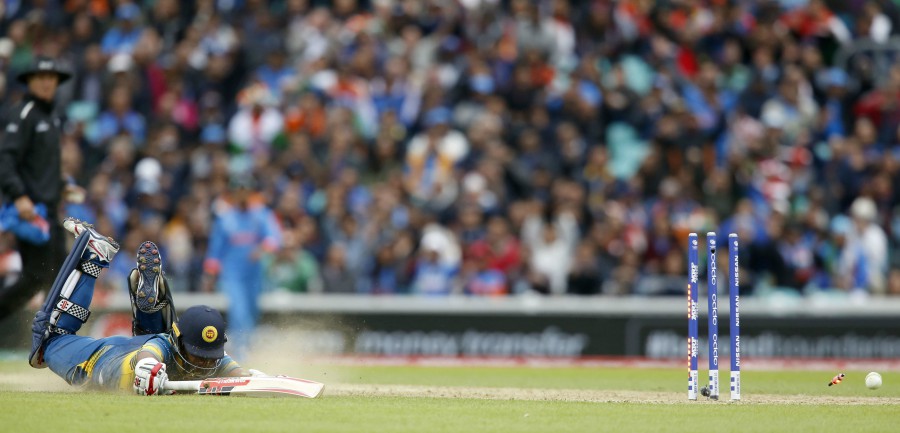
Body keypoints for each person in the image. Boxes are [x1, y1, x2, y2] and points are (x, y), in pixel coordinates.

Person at [29, 218, 254, 395]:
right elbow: (148, 355)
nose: (203, 365)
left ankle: (151, 311)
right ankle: (94, 258)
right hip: (106, 357)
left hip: (144, 340)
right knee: (48, 341)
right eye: (198, 356)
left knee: (157, 341)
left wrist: (254, 381)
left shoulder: (209, 353)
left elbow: (237, 374)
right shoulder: (163, 345)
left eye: (209, 357)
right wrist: (147, 367)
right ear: (180, 342)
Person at [0, 56, 80, 320]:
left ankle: (52, 334)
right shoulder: (23, 114)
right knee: (38, 276)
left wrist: (61, 186)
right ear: (30, 82)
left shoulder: (52, 117)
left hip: (49, 211)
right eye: (41, 78)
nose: (47, 83)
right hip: (32, 212)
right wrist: (19, 195)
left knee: (61, 276)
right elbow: (5, 160)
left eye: (51, 78)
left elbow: (40, 166)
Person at [203, 176, 281, 360]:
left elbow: (275, 238)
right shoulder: (225, 218)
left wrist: (262, 248)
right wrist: (210, 274)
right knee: (239, 310)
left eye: (245, 190)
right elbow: (215, 250)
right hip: (232, 274)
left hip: (255, 273)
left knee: (252, 310)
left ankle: (248, 347)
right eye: (239, 190)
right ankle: (241, 350)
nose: (242, 194)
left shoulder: (261, 214)